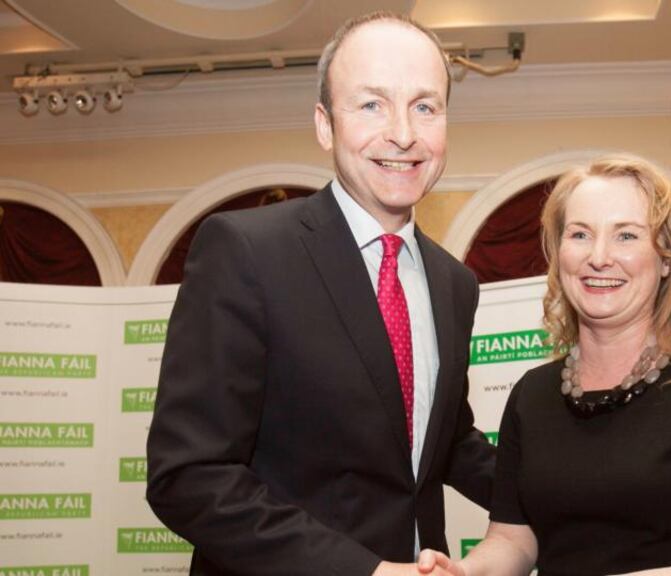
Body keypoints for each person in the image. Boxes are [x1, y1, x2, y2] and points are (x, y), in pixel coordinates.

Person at [146, 11, 495, 576]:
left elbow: (444, 441)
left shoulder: (455, 284)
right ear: (325, 125)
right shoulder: (245, 250)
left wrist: (571, 495)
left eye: (425, 106)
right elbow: (189, 475)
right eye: (371, 104)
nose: (403, 133)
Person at [419, 153, 671, 576]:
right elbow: (513, 539)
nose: (599, 256)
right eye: (579, 234)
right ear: (558, 254)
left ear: (666, 257)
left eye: (626, 236)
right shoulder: (532, 395)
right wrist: (464, 573)